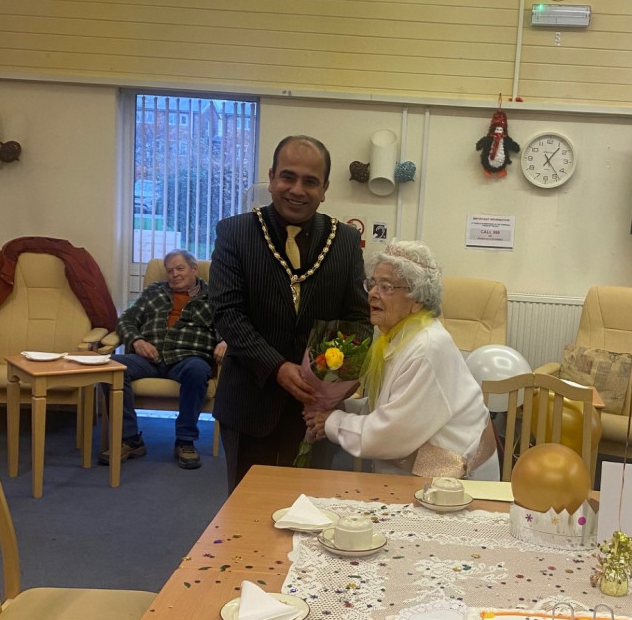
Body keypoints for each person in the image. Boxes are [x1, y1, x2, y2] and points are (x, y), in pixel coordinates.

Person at [209, 135, 368, 491]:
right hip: (249, 404)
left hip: (315, 411)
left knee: (310, 508)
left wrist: (332, 378)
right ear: (271, 177)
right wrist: (277, 367)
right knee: (247, 513)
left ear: (325, 188)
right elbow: (227, 314)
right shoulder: (234, 233)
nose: (297, 189)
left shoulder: (343, 241)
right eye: (288, 177)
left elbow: (357, 320)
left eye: (310, 181)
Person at [304, 240, 500, 478]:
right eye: (373, 283)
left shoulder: (427, 346)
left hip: (455, 480)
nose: (373, 294)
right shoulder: (398, 336)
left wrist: (331, 421)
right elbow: (389, 404)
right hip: (419, 473)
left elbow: (391, 433)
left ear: (417, 298)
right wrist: (341, 406)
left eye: (387, 286)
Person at [102, 249, 224, 470]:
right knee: (110, 368)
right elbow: (126, 320)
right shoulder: (154, 292)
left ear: (194, 269)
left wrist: (226, 342)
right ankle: (130, 439)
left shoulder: (213, 296)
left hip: (187, 358)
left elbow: (228, 325)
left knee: (198, 370)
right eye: (169, 271)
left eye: (180, 268)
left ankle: (185, 441)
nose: (174, 274)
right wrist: (137, 340)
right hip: (150, 358)